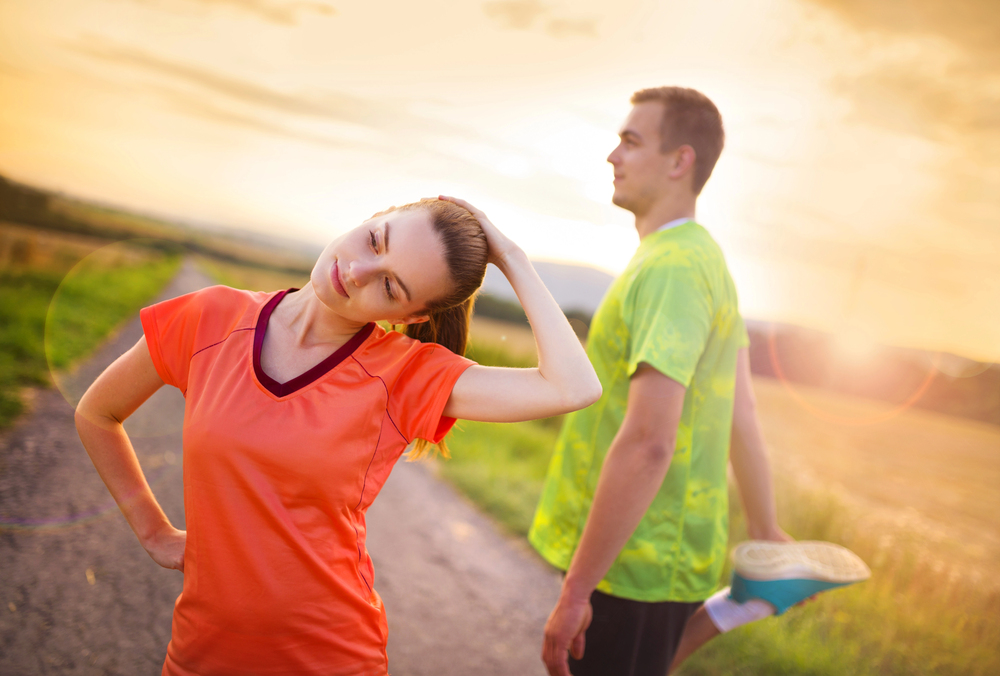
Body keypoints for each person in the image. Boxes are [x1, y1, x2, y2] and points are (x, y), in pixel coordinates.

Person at [75, 196, 602, 676]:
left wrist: (510, 256)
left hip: (329, 656)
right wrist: (153, 531)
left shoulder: (405, 375)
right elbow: (97, 413)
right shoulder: (210, 317)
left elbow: (572, 386)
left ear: (410, 316)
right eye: (376, 241)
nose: (356, 271)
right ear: (375, 214)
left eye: (390, 286)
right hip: (199, 650)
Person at [530, 86, 792, 676]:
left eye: (630, 140)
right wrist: (764, 525)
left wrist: (576, 594)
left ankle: (735, 609)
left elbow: (649, 442)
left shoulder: (673, 267)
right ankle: (737, 607)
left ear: (680, 162)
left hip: (634, 563)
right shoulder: (702, 259)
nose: (612, 156)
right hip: (654, 557)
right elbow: (741, 411)